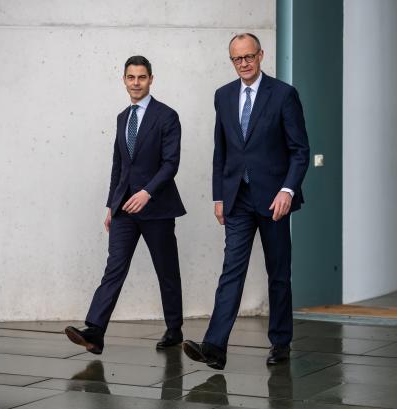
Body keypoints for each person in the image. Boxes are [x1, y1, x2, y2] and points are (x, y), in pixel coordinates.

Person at [182, 33, 310, 369]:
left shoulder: (283, 95)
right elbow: (220, 151)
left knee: (278, 273)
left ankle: (280, 342)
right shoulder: (223, 96)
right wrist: (219, 195)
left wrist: (288, 190)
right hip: (237, 199)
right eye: (237, 59)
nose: (244, 63)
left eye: (249, 56)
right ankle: (215, 346)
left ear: (261, 55)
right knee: (231, 272)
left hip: (273, 201)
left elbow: (299, 151)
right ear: (231, 60)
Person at [65, 55, 186, 354]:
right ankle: (95, 331)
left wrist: (147, 192)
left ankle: (174, 328)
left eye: (141, 77)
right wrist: (111, 205)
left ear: (151, 79)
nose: (136, 83)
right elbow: (119, 166)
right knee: (114, 268)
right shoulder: (122, 117)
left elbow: (171, 163)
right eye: (131, 77)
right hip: (123, 211)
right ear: (124, 80)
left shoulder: (167, 116)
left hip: (156, 207)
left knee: (166, 270)